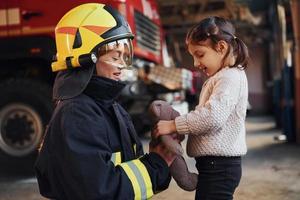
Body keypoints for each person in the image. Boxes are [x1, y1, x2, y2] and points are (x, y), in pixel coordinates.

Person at [35, 3, 175, 200]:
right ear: (86, 57)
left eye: (125, 56)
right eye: (114, 56)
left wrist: (153, 159)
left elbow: (127, 173)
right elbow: (100, 191)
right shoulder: (77, 113)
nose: (121, 67)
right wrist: (156, 165)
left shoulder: (108, 106)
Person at [153, 16, 249, 200]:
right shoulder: (222, 76)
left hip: (220, 166)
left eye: (200, 54)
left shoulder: (229, 78)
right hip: (214, 164)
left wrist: (174, 125)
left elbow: (212, 117)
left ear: (221, 48)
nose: (196, 63)